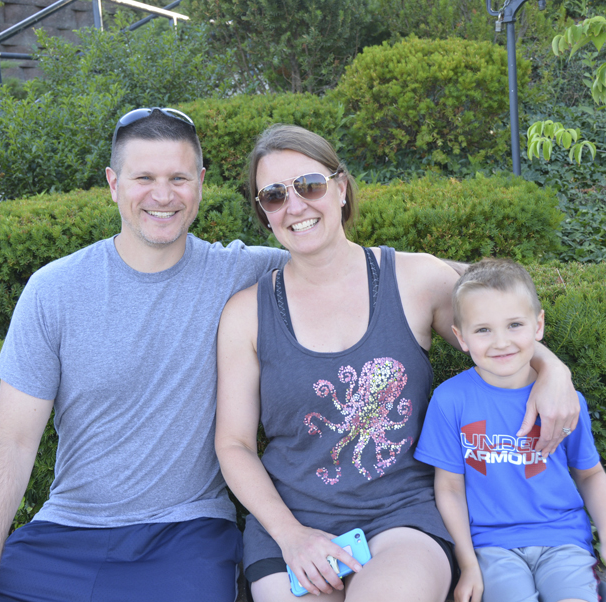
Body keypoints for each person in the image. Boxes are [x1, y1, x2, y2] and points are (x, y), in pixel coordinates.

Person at [214, 125, 581, 602]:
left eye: (309, 185)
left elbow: (496, 312)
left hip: (402, 518)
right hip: (292, 524)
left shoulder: (414, 279)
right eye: (274, 195)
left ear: (341, 188)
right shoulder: (246, 314)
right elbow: (235, 444)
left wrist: (552, 369)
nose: (295, 205)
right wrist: (290, 535)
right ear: (264, 212)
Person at [0, 108, 289, 602]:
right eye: (143, 178)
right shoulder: (55, 290)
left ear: (200, 183)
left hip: (186, 533)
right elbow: (13, 439)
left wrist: (432, 284)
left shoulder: (241, 274)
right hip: (65, 533)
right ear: (114, 184)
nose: (162, 195)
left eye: (178, 178)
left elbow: (345, 268)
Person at [414, 258, 606, 602]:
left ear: (538, 325)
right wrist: (467, 564)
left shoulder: (564, 402)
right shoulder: (450, 400)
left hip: (563, 539)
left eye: (514, 325)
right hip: (490, 546)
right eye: (483, 330)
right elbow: (449, 488)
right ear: (461, 337)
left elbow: (590, 474)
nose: (501, 342)